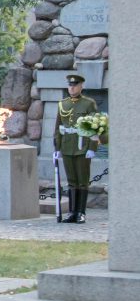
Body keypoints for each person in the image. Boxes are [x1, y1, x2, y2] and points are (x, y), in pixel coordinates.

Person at [54, 74, 99, 224]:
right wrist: (57, 147)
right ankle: (72, 212)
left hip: (82, 146)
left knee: (82, 181)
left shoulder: (88, 104)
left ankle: (81, 212)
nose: (72, 87)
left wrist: (92, 147)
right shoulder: (63, 104)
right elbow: (58, 128)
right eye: (70, 85)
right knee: (72, 181)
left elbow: (94, 126)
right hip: (67, 145)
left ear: (81, 86)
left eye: (75, 85)